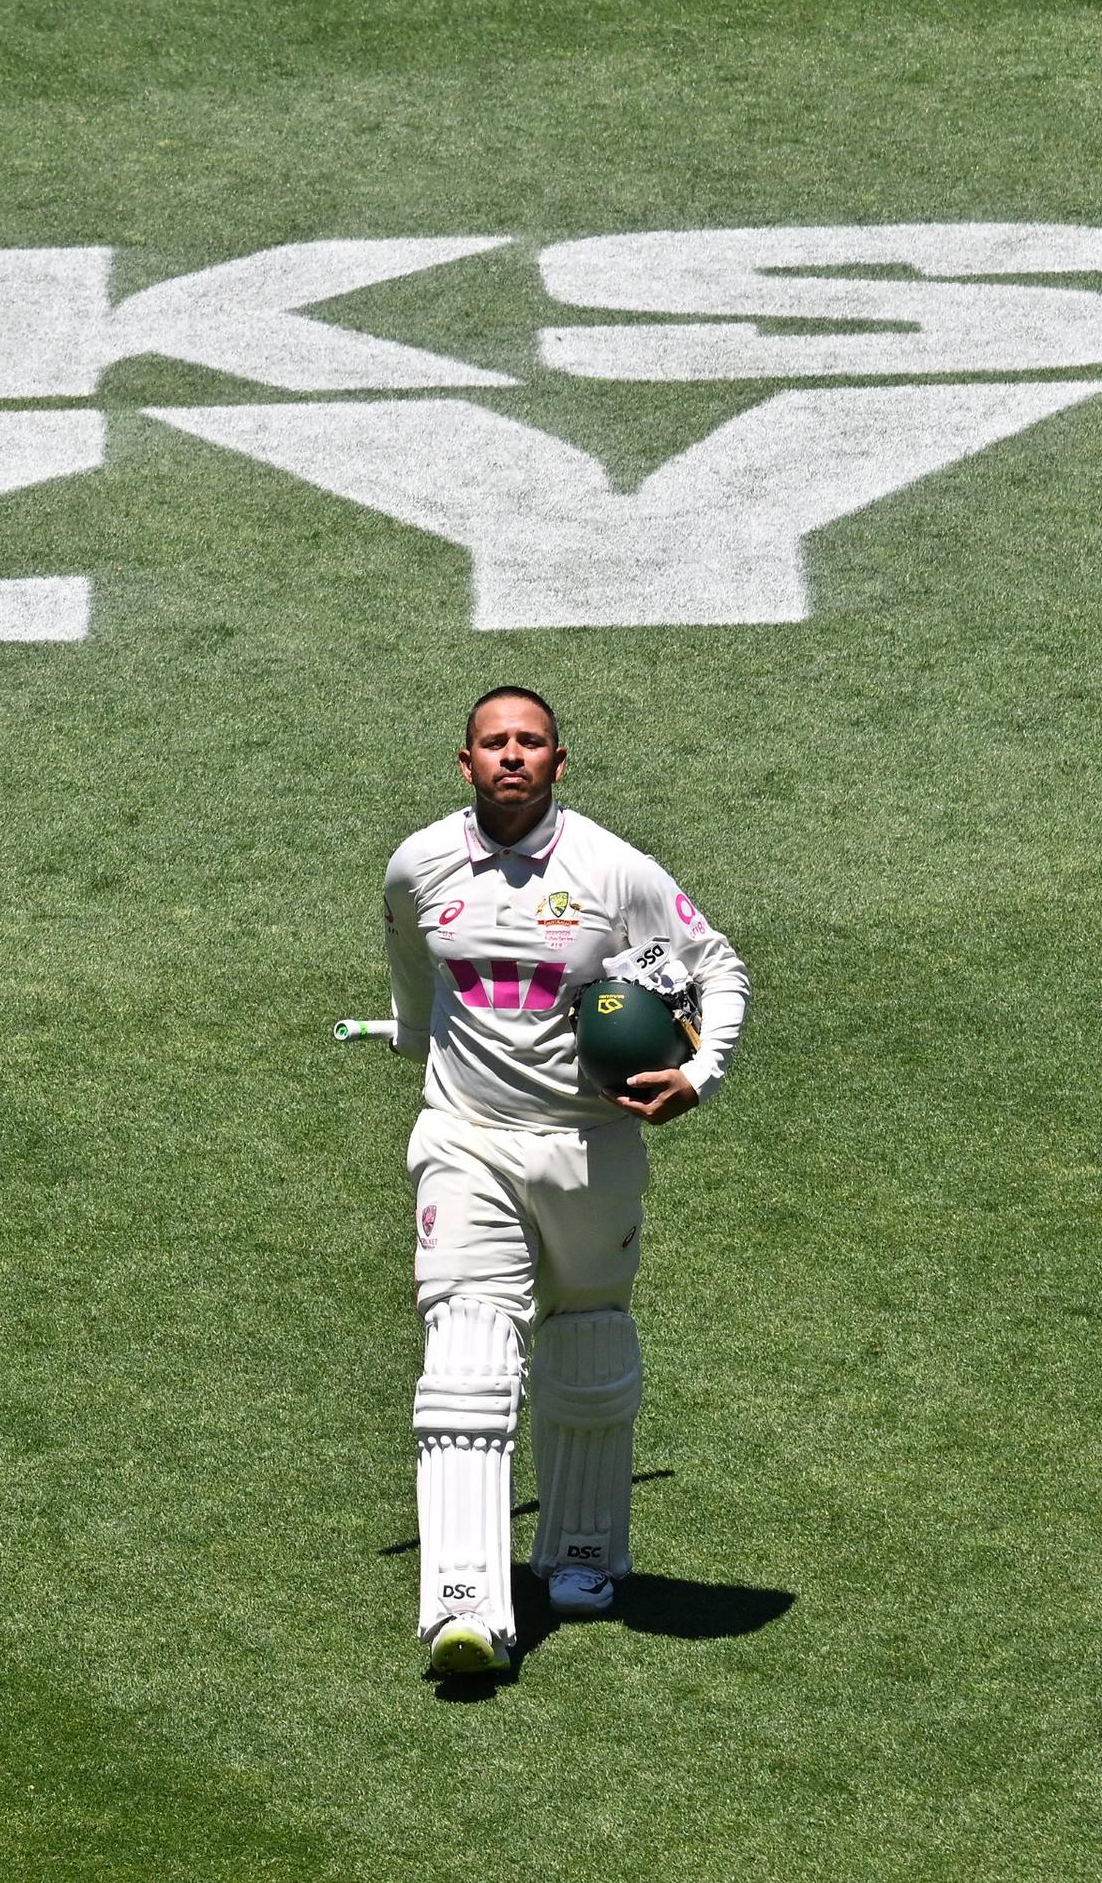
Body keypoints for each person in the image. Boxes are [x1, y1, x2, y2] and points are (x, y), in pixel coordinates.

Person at [334, 685, 747, 1679]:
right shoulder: (419, 865)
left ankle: (581, 1555)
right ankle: (465, 1604)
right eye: (494, 743)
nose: (511, 756)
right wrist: (413, 1035)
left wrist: (698, 1075)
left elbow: (719, 968)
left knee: (588, 1342)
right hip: (465, 1139)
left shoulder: (613, 870)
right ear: (465, 762)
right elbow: (410, 967)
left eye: (531, 742)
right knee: (465, 1357)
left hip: (589, 1144)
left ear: (560, 762)